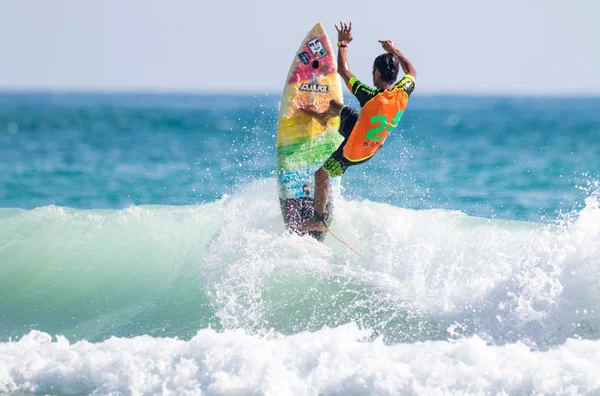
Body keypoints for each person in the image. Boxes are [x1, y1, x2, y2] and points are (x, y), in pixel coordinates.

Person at [296, 21, 417, 233]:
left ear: (378, 74)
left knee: (321, 175)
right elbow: (412, 71)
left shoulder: (369, 97)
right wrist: (395, 51)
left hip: (354, 152)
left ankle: (319, 220)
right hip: (369, 141)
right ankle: (324, 117)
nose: (372, 73)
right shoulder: (403, 91)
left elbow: (343, 70)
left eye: (373, 70)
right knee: (335, 105)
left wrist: (343, 43)